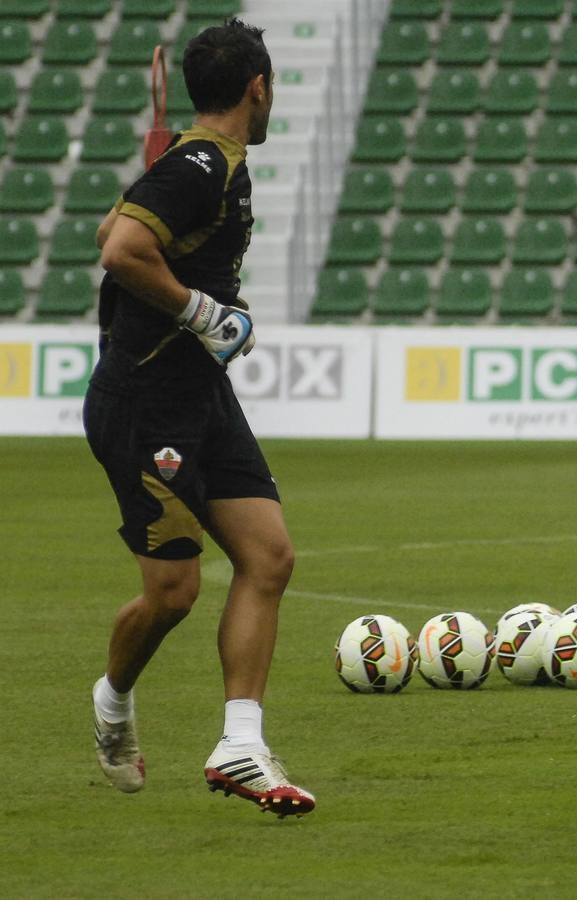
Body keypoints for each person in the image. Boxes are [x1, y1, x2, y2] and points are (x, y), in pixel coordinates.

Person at [83, 19, 314, 816]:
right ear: (259, 87)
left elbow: (112, 233)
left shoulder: (196, 163)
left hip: (196, 395)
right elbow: (118, 253)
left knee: (270, 558)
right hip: (147, 404)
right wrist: (205, 315)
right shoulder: (199, 165)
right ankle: (112, 702)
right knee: (175, 593)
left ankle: (240, 747)